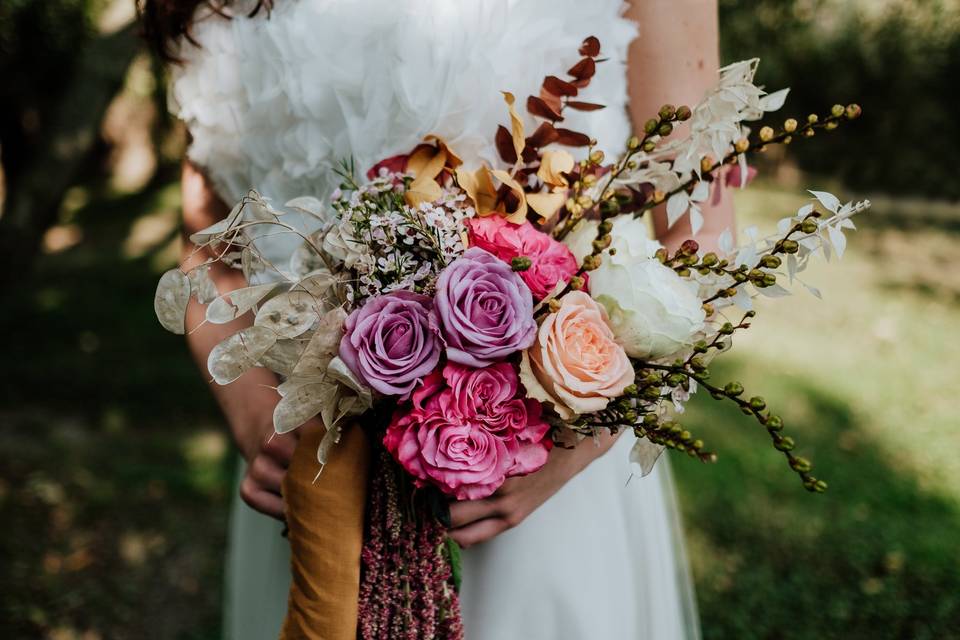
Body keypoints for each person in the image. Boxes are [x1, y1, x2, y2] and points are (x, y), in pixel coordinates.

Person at [144, 0, 735, 637]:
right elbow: (210, 250)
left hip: (529, 489)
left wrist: (573, 448)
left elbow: (702, 249)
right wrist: (254, 412)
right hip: (307, 477)